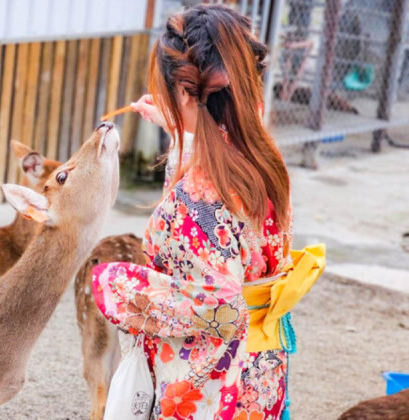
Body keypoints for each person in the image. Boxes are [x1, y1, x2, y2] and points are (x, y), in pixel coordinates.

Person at [93, 4, 292, 419]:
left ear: (184, 93)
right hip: (260, 369)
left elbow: (220, 305)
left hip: (214, 381)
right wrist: (179, 129)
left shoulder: (197, 196)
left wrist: (123, 288)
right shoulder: (261, 158)